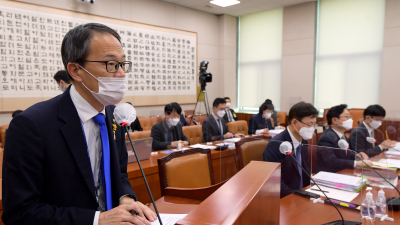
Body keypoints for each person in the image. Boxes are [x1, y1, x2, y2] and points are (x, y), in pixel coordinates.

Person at [2, 23, 156, 225]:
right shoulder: (32, 125)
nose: (121, 74)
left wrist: (125, 198)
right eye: (111, 64)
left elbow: (118, 173)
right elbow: (20, 212)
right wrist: (96, 220)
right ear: (75, 70)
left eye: (122, 64)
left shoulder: (112, 114)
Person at [263, 101, 317, 198]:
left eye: (314, 125)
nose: (312, 129)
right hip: (286, 199)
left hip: (302, 194)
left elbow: (305, 170)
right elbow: (275, 182)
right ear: (295, 122)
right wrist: (296, 197)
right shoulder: (276, 145)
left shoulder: (303, 141)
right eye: (309, 124)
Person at [317, 104, 371, 173]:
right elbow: (332, 161)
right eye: (347, 117)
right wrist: (356, 163)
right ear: (335, 120)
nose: (350, 120)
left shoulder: (342, 135)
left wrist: (357, 156)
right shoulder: (326, 137)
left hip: (343, 172)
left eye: (350, 117)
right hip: (331, 175)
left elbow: (345, 154)